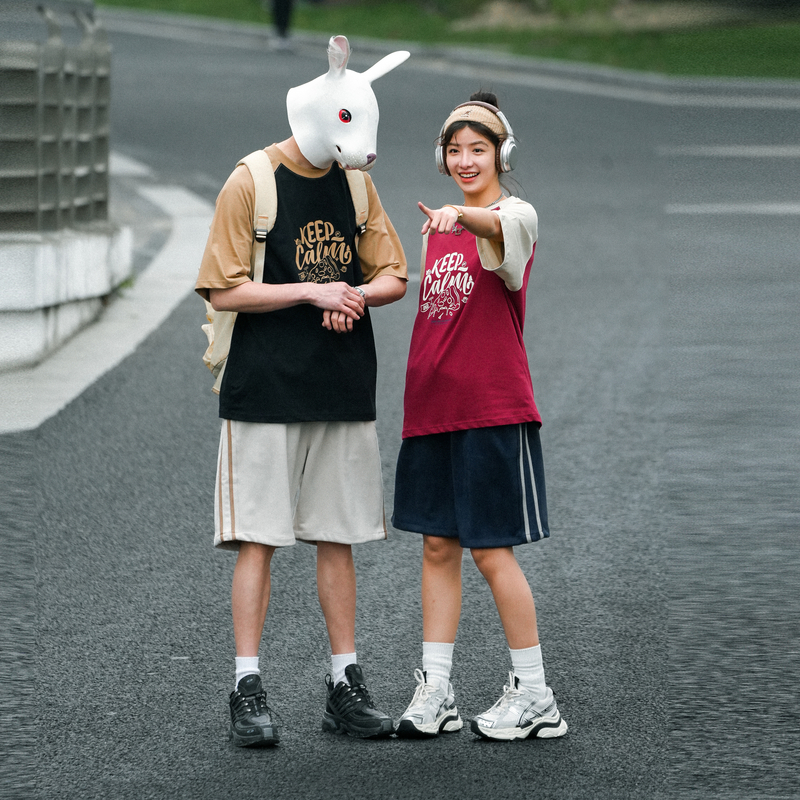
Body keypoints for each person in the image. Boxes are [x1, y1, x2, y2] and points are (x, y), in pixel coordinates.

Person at [195, 120, 408, 744]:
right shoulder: (251, 180)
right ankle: (246, 687)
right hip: (263, 388)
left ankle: (344, 683)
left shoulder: (357, 184)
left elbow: (393, 274)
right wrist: (314, 293)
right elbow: (222, 288)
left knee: (336, 536)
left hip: (340, 385)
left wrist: (352, 298)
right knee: (257, 539)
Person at [392, 91, 568, 742]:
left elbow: (499, 229)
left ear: (502, 154)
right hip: (432, 412)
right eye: (456, 151)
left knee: (492, 552)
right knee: (438, 547)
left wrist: (465, 220)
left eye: (479, 150)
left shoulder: (512, 217)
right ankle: (436, 691)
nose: (466, 161)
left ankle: (537, 696)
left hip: (492, 410)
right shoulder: (440, 228)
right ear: (442, 157)